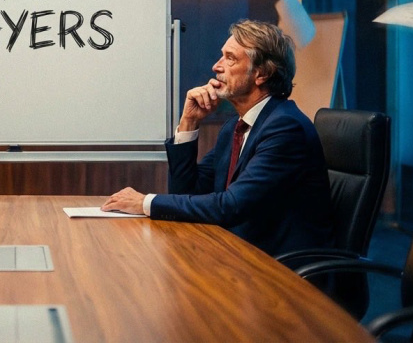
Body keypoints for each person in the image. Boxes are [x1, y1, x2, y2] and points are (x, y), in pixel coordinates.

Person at [102, 19, 332, 255]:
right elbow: (185, 193)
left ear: (262, 73)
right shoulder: (235, 127)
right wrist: (189, 122)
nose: (216, 66)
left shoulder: (285, 128)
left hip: (279, 265)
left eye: (230, 58)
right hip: (237, 252)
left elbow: (231, 206)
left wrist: (145, 202)